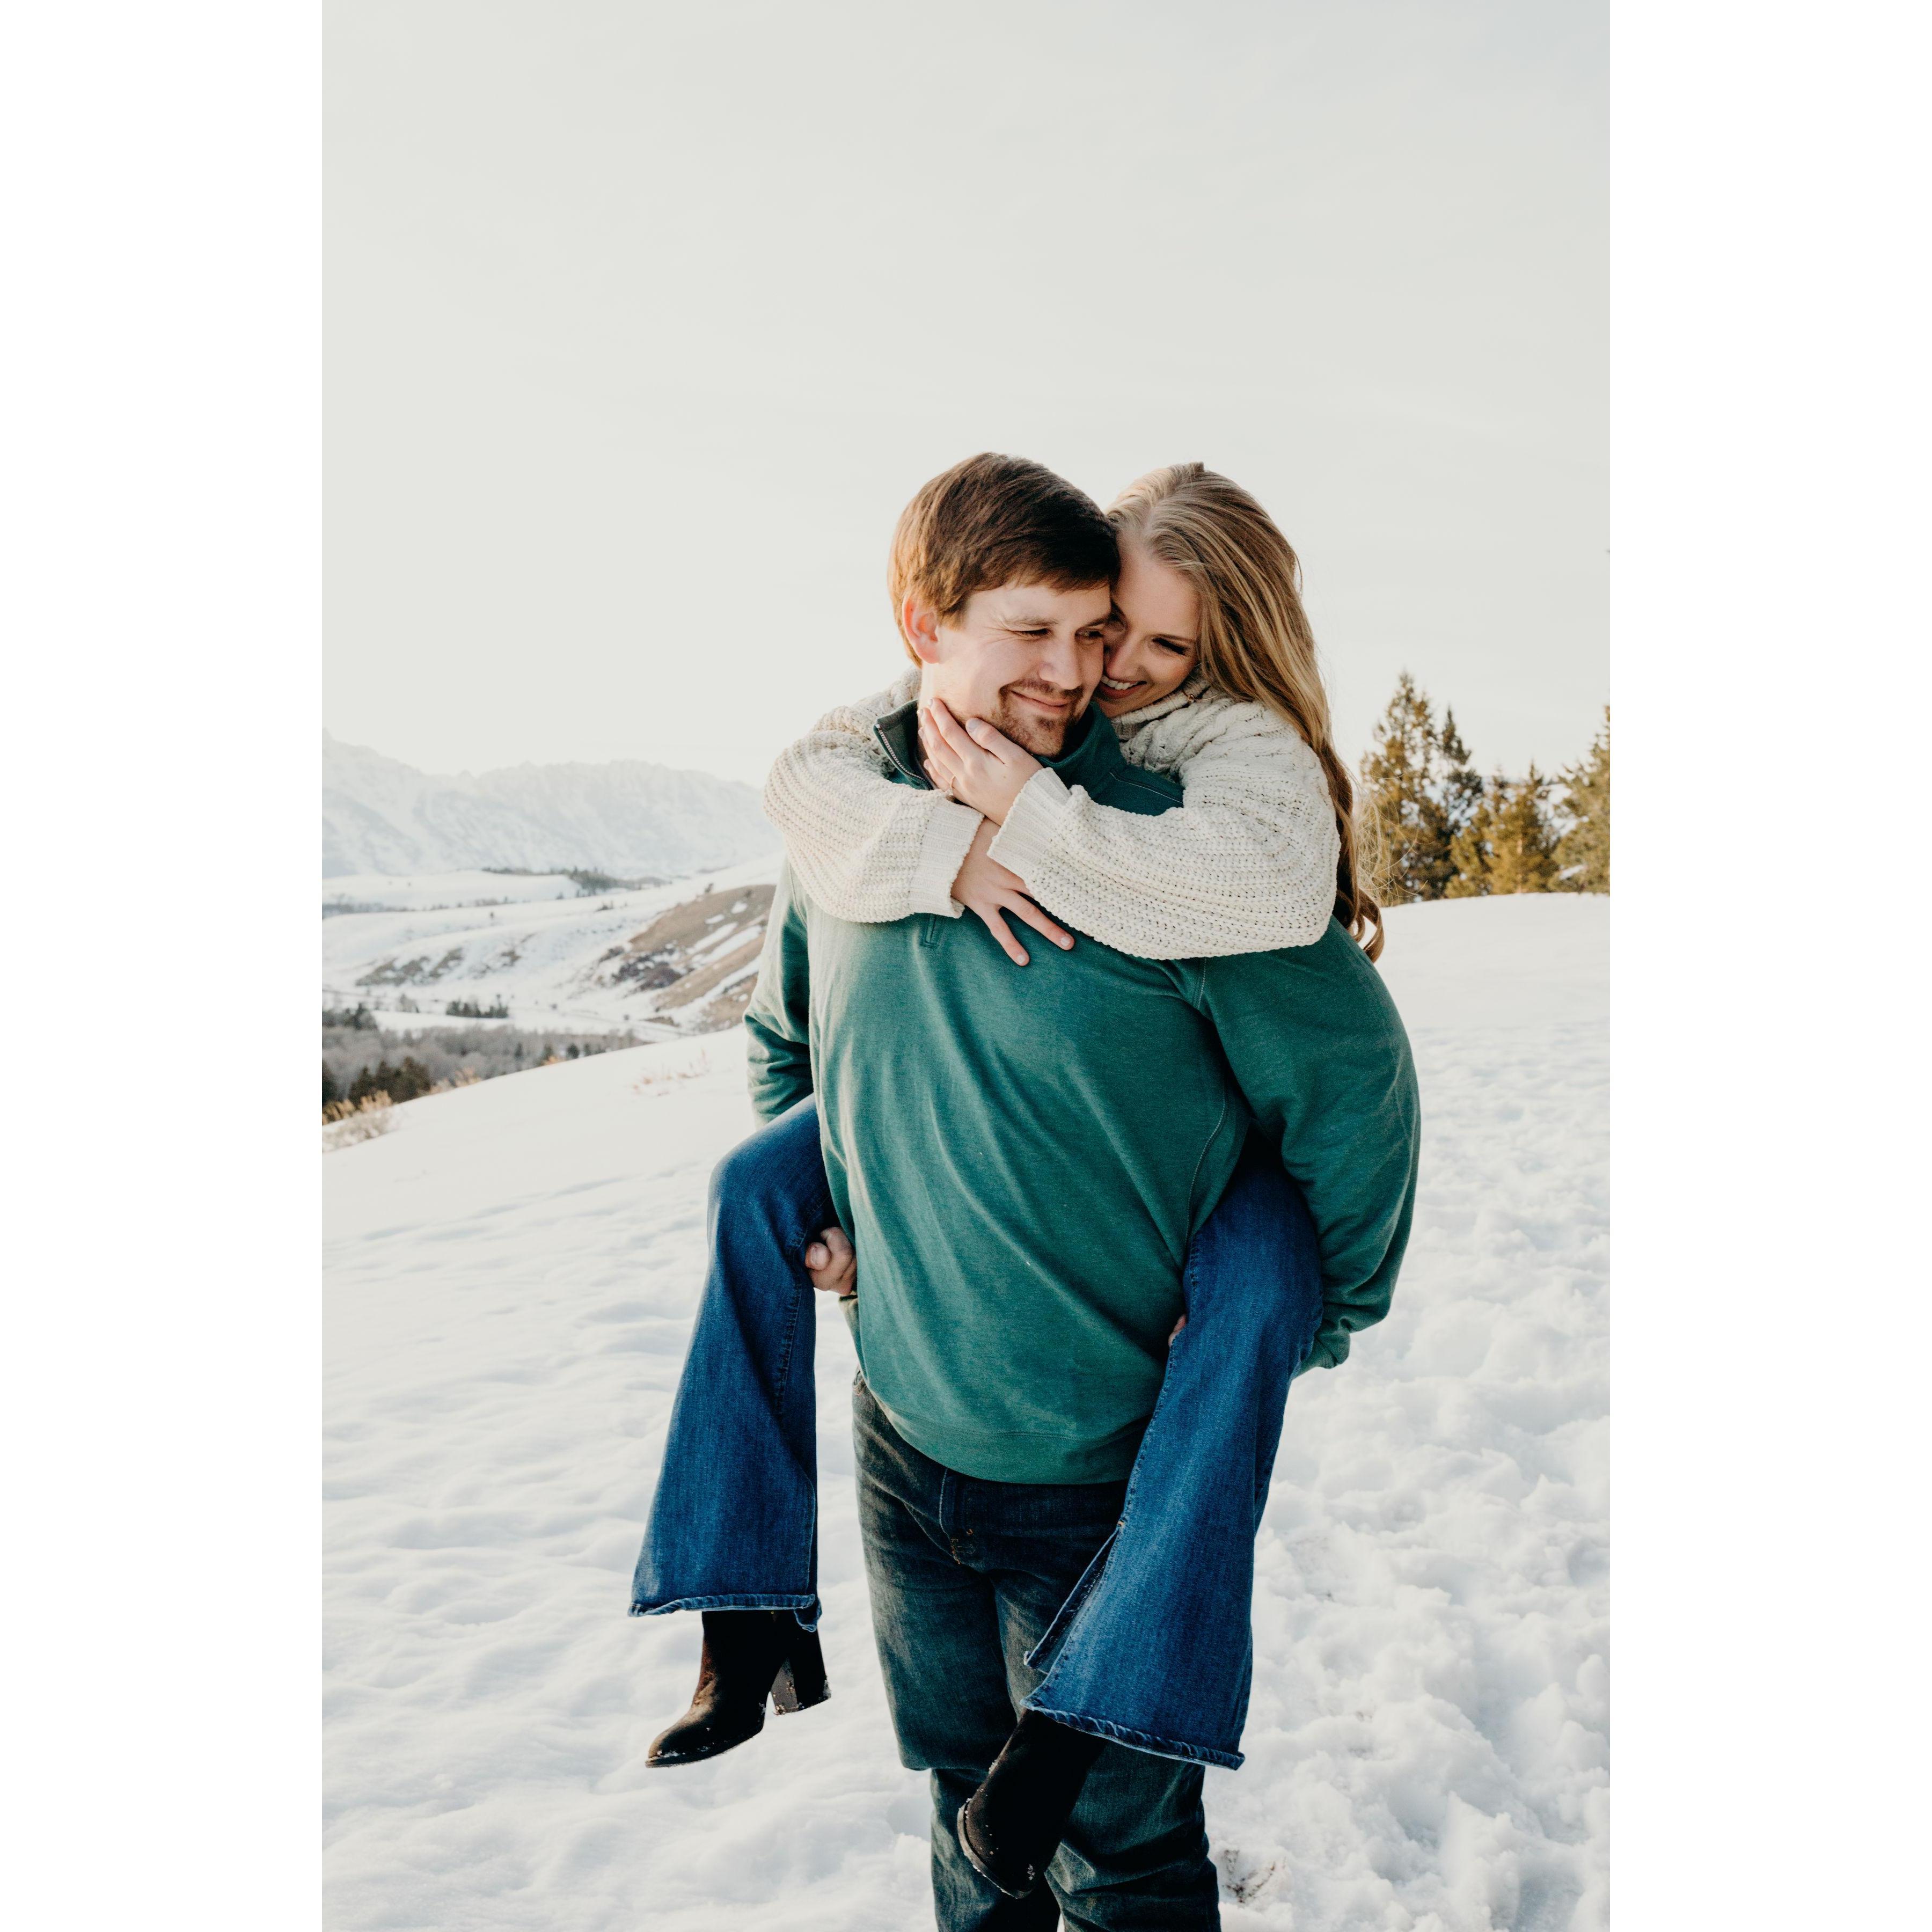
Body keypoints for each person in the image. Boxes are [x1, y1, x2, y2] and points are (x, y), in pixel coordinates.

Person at [633, 455, 1419, 1927]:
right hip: (907, 1439)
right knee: (961, 1811)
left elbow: (1353, 1085)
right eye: (1047, 631)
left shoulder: (1176, 850)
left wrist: (1310, 1312)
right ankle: (740, 1617)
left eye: (1105, 634)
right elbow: (787, 1038)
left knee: (1121, 1865)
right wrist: (837, 1207)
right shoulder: (863, 817)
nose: (1085, 670)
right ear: (927, 629)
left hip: (1099, 1468)